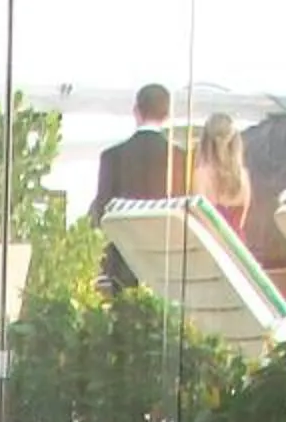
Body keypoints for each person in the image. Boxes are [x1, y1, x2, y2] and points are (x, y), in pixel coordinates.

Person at [90, 82, 176, 291]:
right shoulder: (180, 159)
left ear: (136, 111)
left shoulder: (112, 157)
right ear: (167, 115)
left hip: (122, 262)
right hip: (164, 264)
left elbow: (101, 212)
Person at [193, 112, 251, 232]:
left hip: (212, 245)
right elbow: (241, 222)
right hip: (236, 245)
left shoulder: (201, 175)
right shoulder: (242, 175)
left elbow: (201, 218)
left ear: (205, 141)